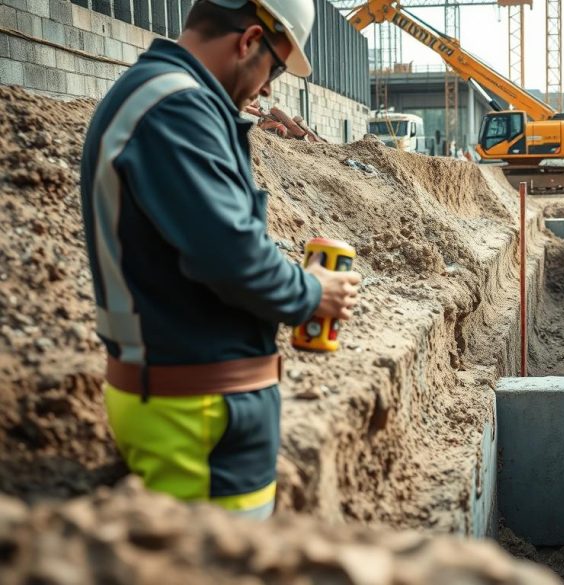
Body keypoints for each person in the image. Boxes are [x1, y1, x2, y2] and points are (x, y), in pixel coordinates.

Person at [79, 0, 361, 520]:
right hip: (196, 414)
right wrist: (313, 292)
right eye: (276, 68)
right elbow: (234, 262)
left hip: (193, 406)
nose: (271, 88)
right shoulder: (176, 110)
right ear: (249, 40)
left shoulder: (168, 100)